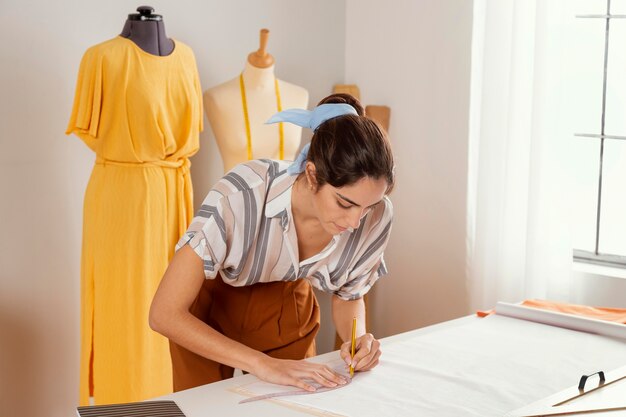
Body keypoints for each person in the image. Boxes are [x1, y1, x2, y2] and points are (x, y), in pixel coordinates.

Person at [150, 93, 395, 392]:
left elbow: (349, 292)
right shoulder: (240, 195)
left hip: (288, 305)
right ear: (312, 174)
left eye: (367, 207)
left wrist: (356, 340)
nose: (356, 222)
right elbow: (164, 313)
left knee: (299, 402)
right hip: (208, 311)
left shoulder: (376, 215)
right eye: (345, 203)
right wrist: (261, 364)